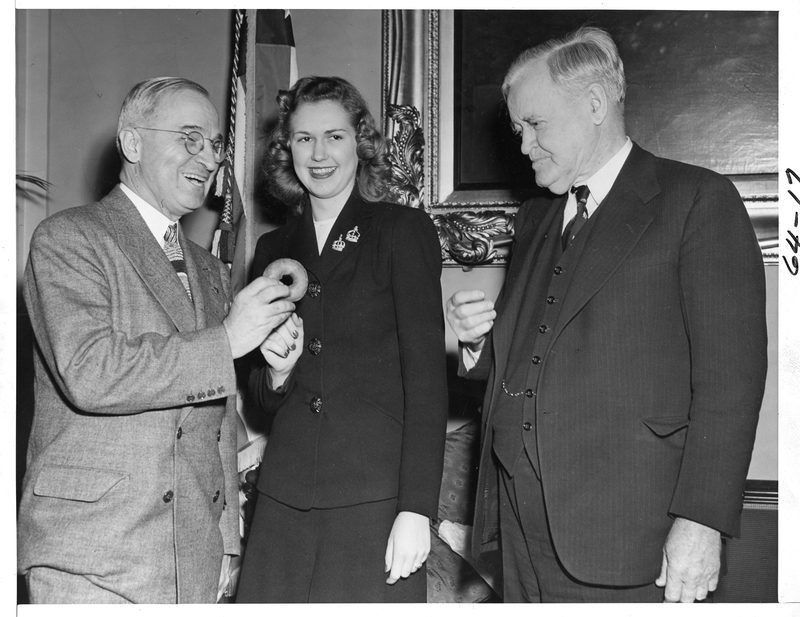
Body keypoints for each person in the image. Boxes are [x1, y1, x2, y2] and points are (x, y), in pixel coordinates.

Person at [446, 27, 768, 603]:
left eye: (536, 125)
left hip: (628, 536)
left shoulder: (696, 200)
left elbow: (731, 381)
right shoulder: (537, 219)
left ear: (595, 104)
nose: (523, 146)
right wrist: (476, 346)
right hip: (519, 533)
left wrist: (701, 522)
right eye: (518, 129)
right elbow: (529, 353)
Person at [18, 77, 296, 604]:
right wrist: (226, 342)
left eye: (215, 145)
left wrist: (225, 541)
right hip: (90, 556)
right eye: (190, 137)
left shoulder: (208, 269)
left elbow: (215, 418)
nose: (210, 158)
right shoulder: (67, 238)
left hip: (189, 558)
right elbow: (90, 372)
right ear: (132, 143)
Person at [236, 76, 448, 603]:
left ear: (362, 143)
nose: (319, 153)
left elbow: (427, 382)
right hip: (284, 500)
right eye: (304, 138)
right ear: (288, 150)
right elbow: (258, 399)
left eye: (334, 136)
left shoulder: (401, 231)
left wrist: (416, 508)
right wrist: (279, 373)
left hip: (373, 503)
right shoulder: (272, 249)